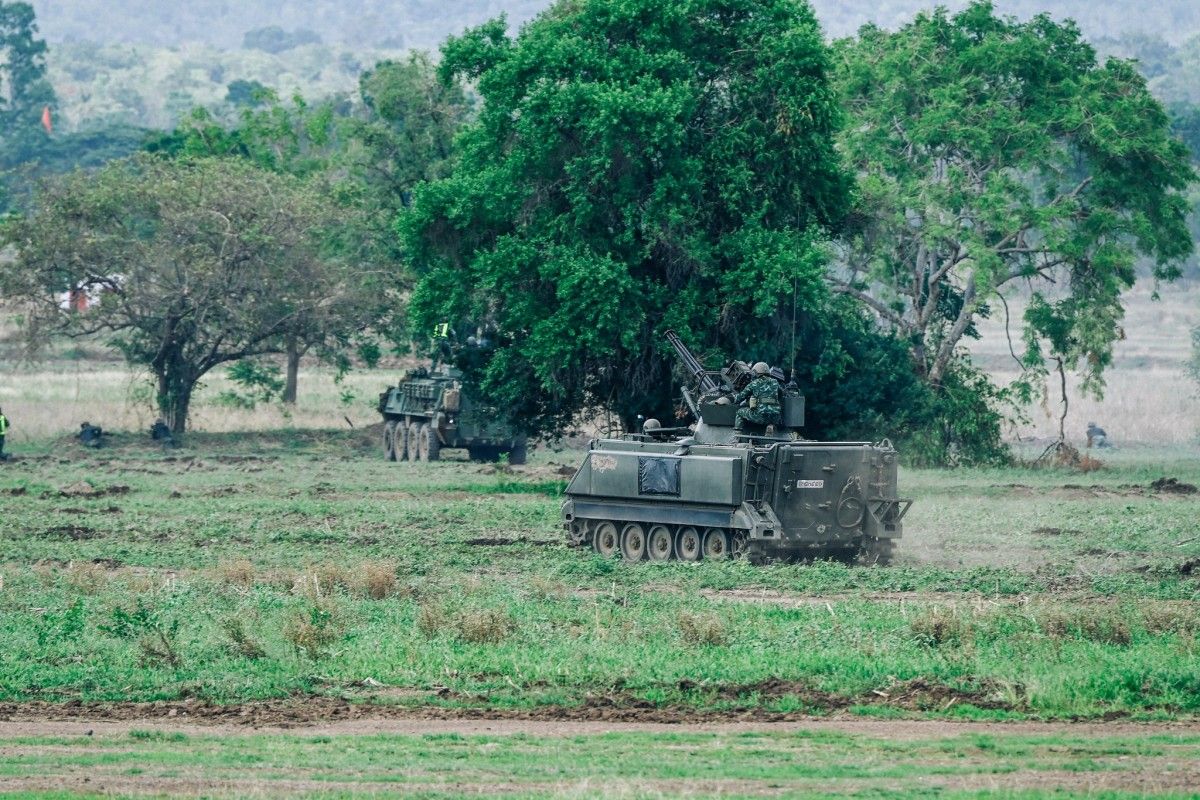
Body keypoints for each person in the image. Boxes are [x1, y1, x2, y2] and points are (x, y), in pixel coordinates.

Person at [734, 362, 782, 431]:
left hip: (760, 416)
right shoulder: (775, 382)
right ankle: (770, 426)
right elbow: (781, 394)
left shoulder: (754, 383)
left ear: (755, 372)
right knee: (773, 414)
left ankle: (737, 434)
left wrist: (731, 399)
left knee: (739, 412)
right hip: (775, 417)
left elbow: (740, 397)